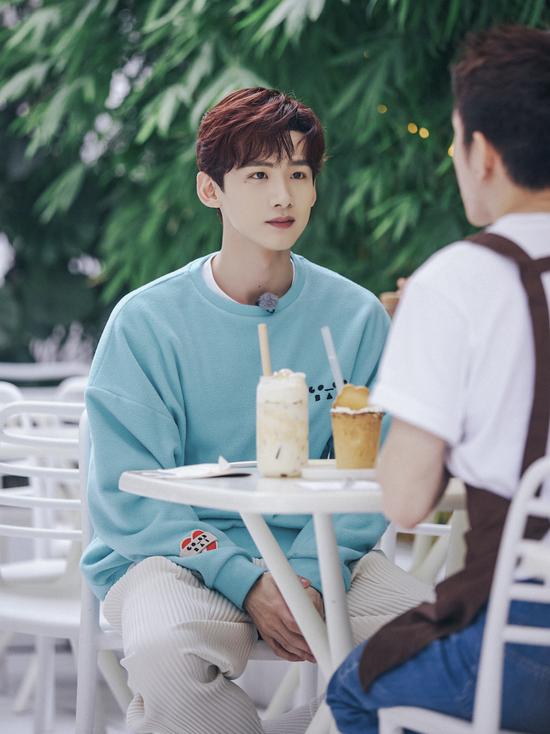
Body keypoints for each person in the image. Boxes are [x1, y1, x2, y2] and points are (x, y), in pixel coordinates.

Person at [80, 87, 431, 734]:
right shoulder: (146, 323)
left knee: (439, 647)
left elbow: (375, 473)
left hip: (323, 555)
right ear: (210, 189)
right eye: (259, 175)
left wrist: (304, 574)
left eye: (299, 174)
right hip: (179, 556)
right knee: (166, 653)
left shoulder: (355, 317)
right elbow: (128, 497)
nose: (283, 196)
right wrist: (244, 580)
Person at [327, 25, 550, 734]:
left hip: (525, 640)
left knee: (351, 691)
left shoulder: (458, 281)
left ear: (483, 153)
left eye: (454, 142)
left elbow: (404, 501)